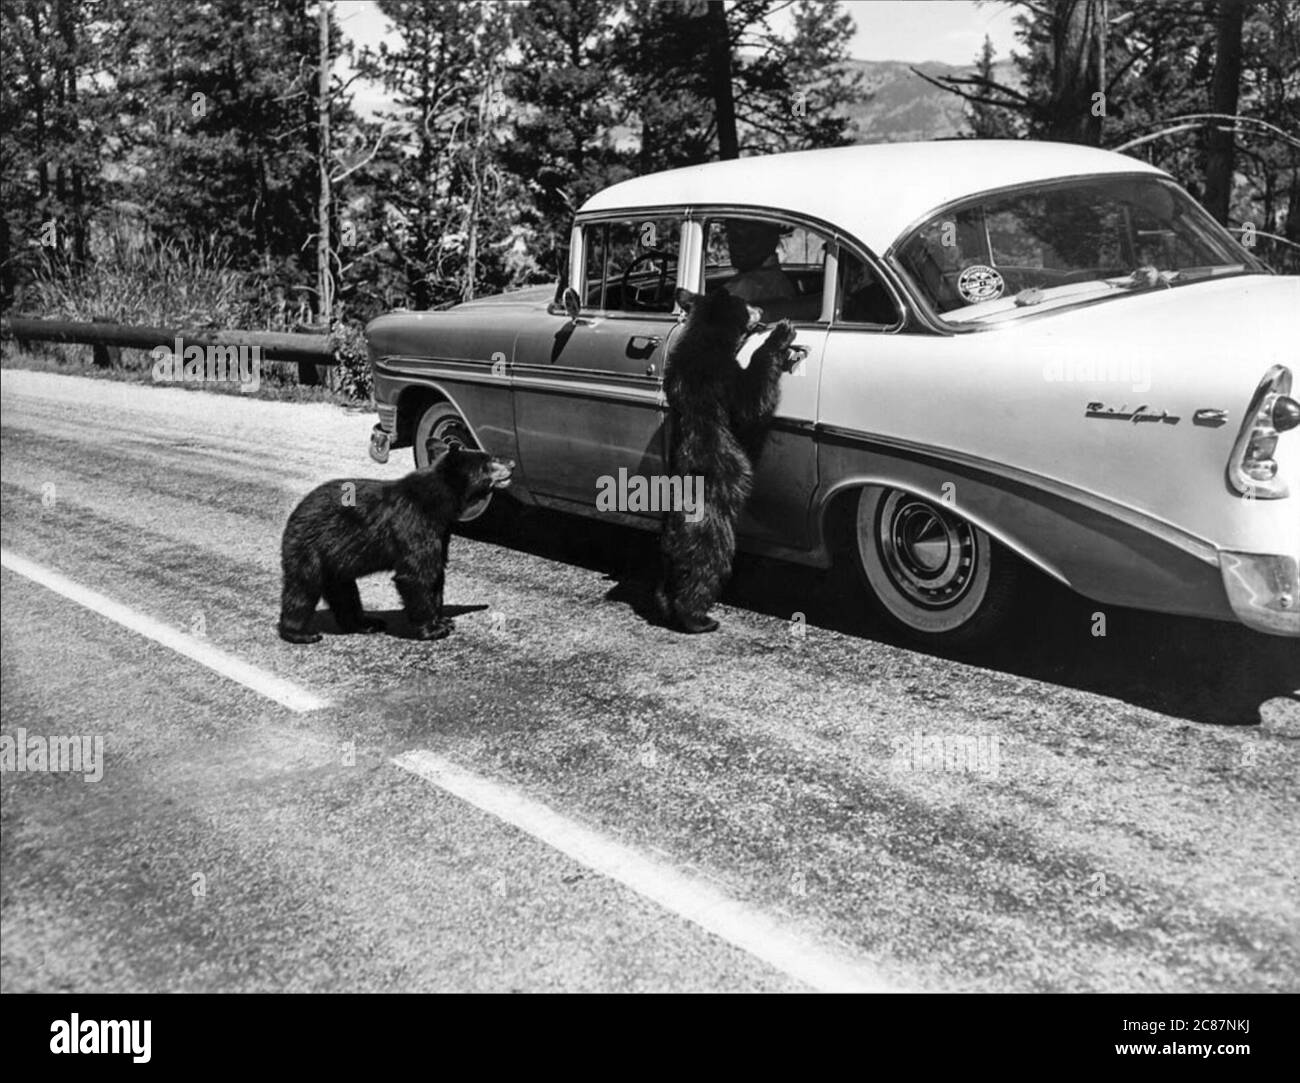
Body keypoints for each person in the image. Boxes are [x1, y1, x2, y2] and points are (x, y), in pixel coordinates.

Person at [721, 220, 797, 304]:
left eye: (750, 237)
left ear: (771, 241)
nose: (736, 245)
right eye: (732, 236)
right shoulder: (779, 281)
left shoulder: (745, 287)